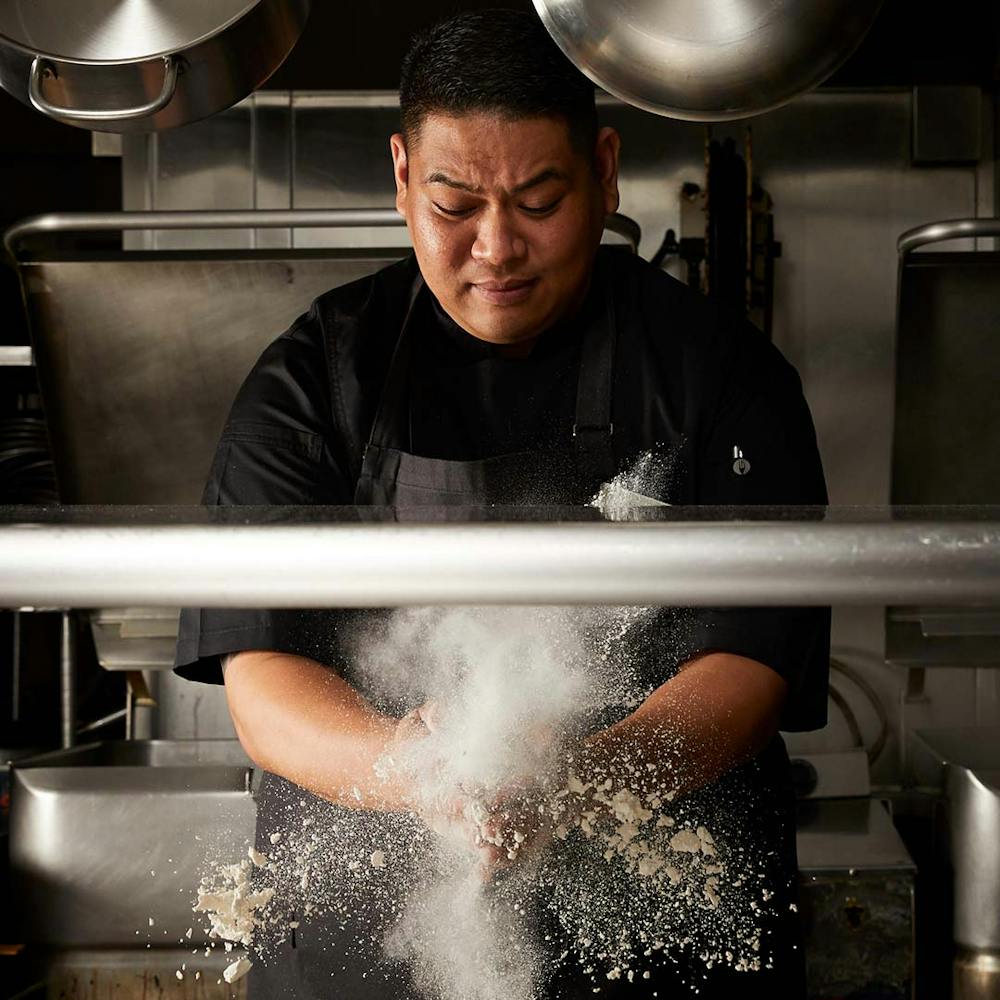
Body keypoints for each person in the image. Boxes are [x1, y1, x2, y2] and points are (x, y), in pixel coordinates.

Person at [175, 9, 830, 999]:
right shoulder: (315, 377)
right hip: (363, 958)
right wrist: (424, 775)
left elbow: (750, 665)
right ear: (401, 178)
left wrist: (575, 780)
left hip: (663, 953)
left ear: (604, 171)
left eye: (537, 199)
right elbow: (262, 680)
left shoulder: (717, 373)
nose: (496, 246)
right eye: (453, 203)